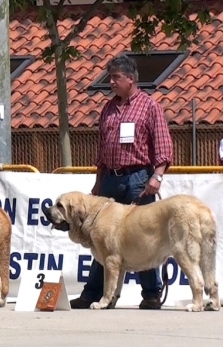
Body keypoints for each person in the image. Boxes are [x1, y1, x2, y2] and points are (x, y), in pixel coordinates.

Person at [70, 54, 174, 310]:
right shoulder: (108, 108)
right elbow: (102, 150)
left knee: (141, 236)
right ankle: (93, 293)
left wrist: (157, 177)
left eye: (115, 77)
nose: (111, 82)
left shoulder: (150, 107)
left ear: (131, 79)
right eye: (110, 78)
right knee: (100, 238)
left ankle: (150, 294)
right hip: (109, 179)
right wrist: (98, 182)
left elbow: (163, 148)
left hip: (139, 178)